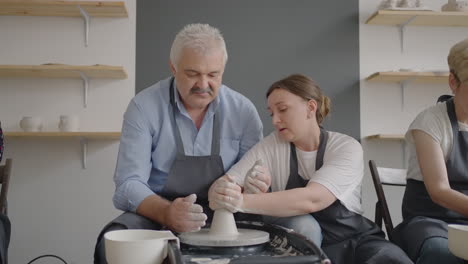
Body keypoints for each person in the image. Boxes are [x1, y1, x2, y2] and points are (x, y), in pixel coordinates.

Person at [93, 23, 263, 263]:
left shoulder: (243, 112)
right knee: (112, 240)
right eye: (192, 74)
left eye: (213, 75)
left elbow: (252, 176)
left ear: (223, 70)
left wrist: (254, 185)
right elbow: (127, 185)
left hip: (227, 216)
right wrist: (167, 213)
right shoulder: (144, 107)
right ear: (173, 67)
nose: (203, 84)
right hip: (159, 212)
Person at [208, 74, 413, 264]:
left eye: (283, 109)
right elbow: (224, 184)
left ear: (311, 107)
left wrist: (240, 201)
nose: (275, 120)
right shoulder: (271, 145)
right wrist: (228, 191)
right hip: (304, 245)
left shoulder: (345, 147)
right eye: (271, 113)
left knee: (392, 259)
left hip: (355, 241)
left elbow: (313, 199)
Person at [392, 38, 468, 264]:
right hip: (432, 222)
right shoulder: (430, 123)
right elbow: (439, 191)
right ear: (453, 82)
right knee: (443, 254)